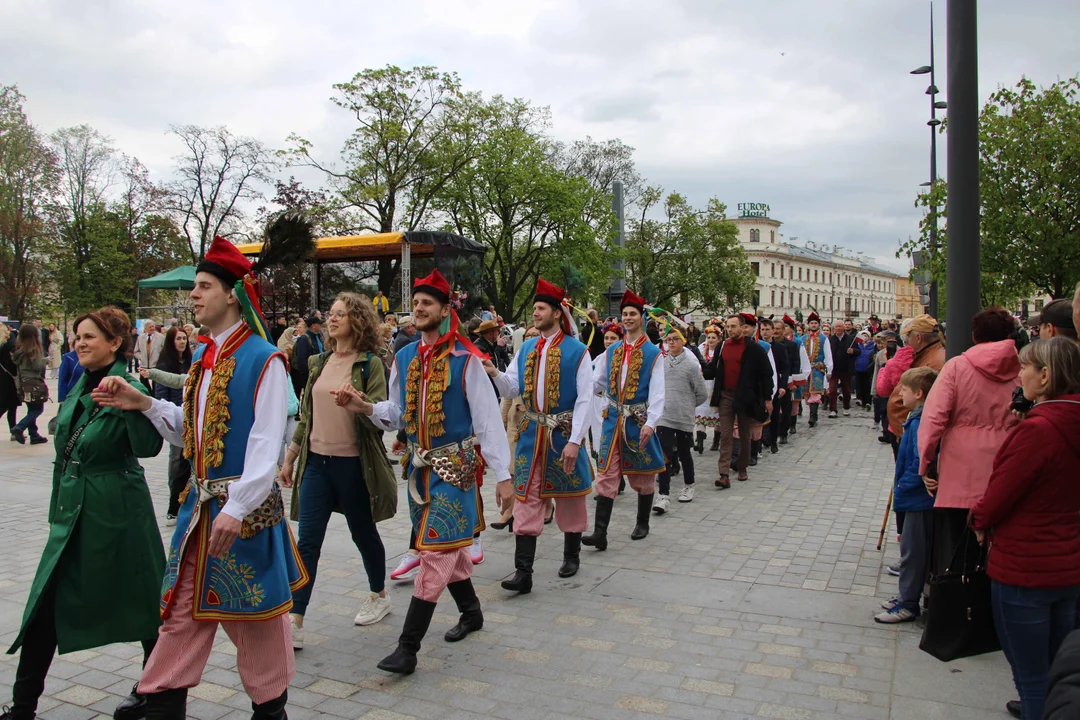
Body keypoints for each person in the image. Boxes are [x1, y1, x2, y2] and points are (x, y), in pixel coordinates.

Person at [91, 234, 308, 719]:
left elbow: (264, 444)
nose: (194, 294)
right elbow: (192, 434)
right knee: (182, 611)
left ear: (232, 294)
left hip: (242, 517)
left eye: (204, 285)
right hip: (200, 514)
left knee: (256, 621)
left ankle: (269, 709)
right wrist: (144, 403)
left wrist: (236, 507)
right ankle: (160, 697)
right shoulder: (205, 359)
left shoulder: (263, 359)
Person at [3, 306, 164, 720]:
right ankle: (22, 708)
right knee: (44, 607)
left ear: (114, 343)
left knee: (147, 610)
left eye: (89, 336)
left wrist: (138, 404)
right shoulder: (80, 380)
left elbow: (148, 448)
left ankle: (157, 693)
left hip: (120, 514)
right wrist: (58, 509)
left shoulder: (128, 383)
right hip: (75, 512)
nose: (79, 343)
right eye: (77, 336)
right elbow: (67, 448)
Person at [348, 269, 511, 675]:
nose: (419, 309)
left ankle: (408, 648)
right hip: (419, 473)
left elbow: (488, 419)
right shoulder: (404, 357)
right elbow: (398, 413)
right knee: (446, 550)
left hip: (456, 473)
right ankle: (472, 612)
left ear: (444, 309)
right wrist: (367, 407)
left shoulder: (466, 359)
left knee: (434, 553)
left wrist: (504, 475)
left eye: (427, 303)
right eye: (416, 303)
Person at [279, 292, 398, 650]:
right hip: (316, 464)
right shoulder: (318, 361)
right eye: (330, 314)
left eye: (340, 314)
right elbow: (307, 415)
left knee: (363, 534)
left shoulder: (370, 364)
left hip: (353, 466)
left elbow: (380, 413)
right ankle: (295, 620)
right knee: (308, 542)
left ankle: (379, 594)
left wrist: (359, 404)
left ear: (357, 321)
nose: (332, 319)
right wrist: (291, 456)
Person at [971, 337, 1080, 720]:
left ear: (1046, 376)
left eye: (1026, 368)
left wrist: (979, 519)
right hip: (1068, 562)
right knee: (1057, 668)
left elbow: (1000, 494)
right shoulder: (1062, 419)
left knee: (1032, 677)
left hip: (1027, 565)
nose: (1019, 375)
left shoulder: (1039, 430)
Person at [486, 279, 594, 590]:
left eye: (541, 308)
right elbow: (513, 387)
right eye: (534, 308)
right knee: (526, 498)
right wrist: (494, 373)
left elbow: (586, 398)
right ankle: (523, 573)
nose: (535, 313)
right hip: (531, 435)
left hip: (562, 434)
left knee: (570, 497)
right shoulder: (528, 347)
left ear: (558, 313)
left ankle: (571, 555)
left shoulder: (578, 351)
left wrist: (575, 441)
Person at [917, 307, 1020, 578]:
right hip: (1006, 467)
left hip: (960, 470)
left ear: (975, 336)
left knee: (957, 545)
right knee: (999, 546)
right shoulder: (1021, 368)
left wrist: (925, 463)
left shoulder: (957, 367)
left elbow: (933, 419)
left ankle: (958, 610)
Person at [583, 289, 666, 548]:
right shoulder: (612, 350)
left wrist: (651, 422)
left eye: (632, 314)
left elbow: (658, 392)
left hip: (638, 420)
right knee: (606, 472)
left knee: (643, 475)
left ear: (642, 317)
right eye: (625, 314)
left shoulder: (654, 354)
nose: (628, 318)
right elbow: (599, 381)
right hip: (612, 419)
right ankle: (600, 533)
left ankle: (642, 522)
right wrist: (588, 389)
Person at [875, 366, 938, 623]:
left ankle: (907, 603)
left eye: (904, 389)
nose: (900, 393)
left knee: (913, 551)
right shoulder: (916, 416)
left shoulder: (922, 420)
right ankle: (906, 594)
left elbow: (920, 462)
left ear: (919, 393)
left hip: (918, 497)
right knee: (911, 549)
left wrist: (902, 486)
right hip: (914, 494)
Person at [702, 315, 772, 487]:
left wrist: (767, 398)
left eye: (734, 326)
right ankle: (724, 474)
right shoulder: (723, 345)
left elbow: (765, 375)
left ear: (743, 328)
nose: (730, 330)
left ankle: (742, 467)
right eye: (728, 327)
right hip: (725, 395)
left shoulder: (753, 348)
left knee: (744, 433)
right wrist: (700, 367)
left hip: (746, 396)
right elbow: (713, 369)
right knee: (726, 434)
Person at [140, 326, 194, 527]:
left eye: (184, 338)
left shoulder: (192, 362)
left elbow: (183, 380)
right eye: (178, 338)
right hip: (177, 418)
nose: (182, 342)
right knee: (178, 463)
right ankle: (175, 505)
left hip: (191, 417)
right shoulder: (166, 363)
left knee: (188, 465)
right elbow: (171, 384)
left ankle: (186, 503)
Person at [653, 327, 708, 512]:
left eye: (676, 339)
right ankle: (663, 495)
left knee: (685, 453)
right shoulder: (661, 363)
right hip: (665, 416)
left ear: (683, 341)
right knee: (665, 454)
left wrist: (687, 404)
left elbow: (702, 393)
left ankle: (689, 485)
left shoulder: (691, 365)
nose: (672, 342)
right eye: (668, 339)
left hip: (683, 416)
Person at [887, 314, 946, 440]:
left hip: (915, 433)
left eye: (909, 336)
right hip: (911, 430)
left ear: (918, 338)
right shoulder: (928, 355)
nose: (907, 341)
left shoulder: (934, 361)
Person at [11, 325, 49, 445]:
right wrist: (45, 361)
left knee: (31, 409)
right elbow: (37, 366)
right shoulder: (34, 349)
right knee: (37, 409)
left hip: (23, 383)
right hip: (34, 383)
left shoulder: (19, 351)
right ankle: (19, 427)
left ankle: (34, 435)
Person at [759, 319, 788, 455]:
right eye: (762, 330)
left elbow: (784, 368)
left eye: (767, 329)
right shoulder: (758, 346)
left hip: (775, 384)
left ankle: (773, 441)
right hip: (760, 385)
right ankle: (759, 441)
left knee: (774, 414)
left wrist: (783, 386)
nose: (765, 332)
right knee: (760, 414)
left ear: (773, 331)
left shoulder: (780, 348)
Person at [800, 312, 833, 427]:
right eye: (811, 323)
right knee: (806, 393)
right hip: (806, 369)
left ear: (819, 325)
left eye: (815, 323)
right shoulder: (803, 338)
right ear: (808, 324)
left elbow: (828, 355)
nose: (813, 325)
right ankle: (812, 413)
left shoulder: (824, 338)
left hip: (817, 368)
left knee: (815, 392)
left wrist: (829, 370)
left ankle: (813, 416)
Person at [694, 324, 722, 453]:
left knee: (716, 413)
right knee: (700, 411)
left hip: (716, 385)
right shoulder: (701, 349)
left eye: (713, 337)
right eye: (709, 337)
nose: (710, 340)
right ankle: (699, 440)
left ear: (718, 339)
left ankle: (716, 441)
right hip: (703, 384)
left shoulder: (721, 351)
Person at [827, 319, 858, 418]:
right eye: (837, 327)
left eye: (840, 326)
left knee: (847, 390)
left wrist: (853, 351)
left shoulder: (850, 339)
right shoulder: (830, 340)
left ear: (844, 328)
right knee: (832, 390)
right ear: (834, 329)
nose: (839, 328)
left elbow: (859, 351)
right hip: (834, 369)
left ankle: (846, 407)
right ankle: (833, 409)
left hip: (846, 368)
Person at [292, 315, 324, 398]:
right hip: (310, 374)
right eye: (319, 324)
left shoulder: (318, 337)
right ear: (313, 325)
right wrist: (308, 374)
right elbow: (301, 359)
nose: (320, 326)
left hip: (318, 372)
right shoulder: (304, 339)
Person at [0, 323, 19, 433]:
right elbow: (13, 363)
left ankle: (14, 429)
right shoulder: (9, 345)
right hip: (9, 378)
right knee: (9, 405)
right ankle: (13, 429)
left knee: (9, 405)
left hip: (2, 377)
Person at [854, 330, 875, 409]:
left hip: (868, 368)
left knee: (867, 385)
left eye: (866, 336)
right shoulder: (858, 345)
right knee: (860, 385)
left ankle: (868, 401)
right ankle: (862, 401)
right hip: (858, 368)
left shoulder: (872, 345)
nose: (864, 337)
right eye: (863, 336)